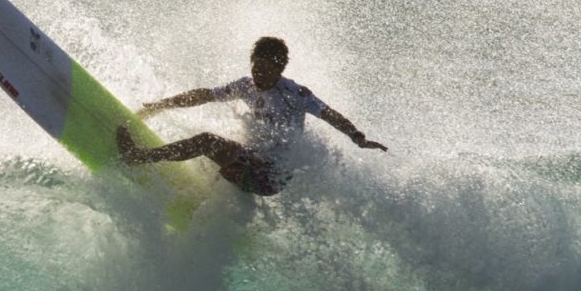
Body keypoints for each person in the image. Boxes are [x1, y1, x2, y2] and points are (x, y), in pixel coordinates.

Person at [116, 36, 387, 196]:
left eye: (266, 71)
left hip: (270, 177)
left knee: (207, 141)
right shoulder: (245, 85)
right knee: (225, 143)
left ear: (280, 70)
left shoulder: (295, 93)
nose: (259, 75)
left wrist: (358, 137)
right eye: (256, 68)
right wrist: (163, 104)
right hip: (250, 162)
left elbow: (330, 114)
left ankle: (138, 157)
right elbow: (205, 95)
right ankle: (198, 198)